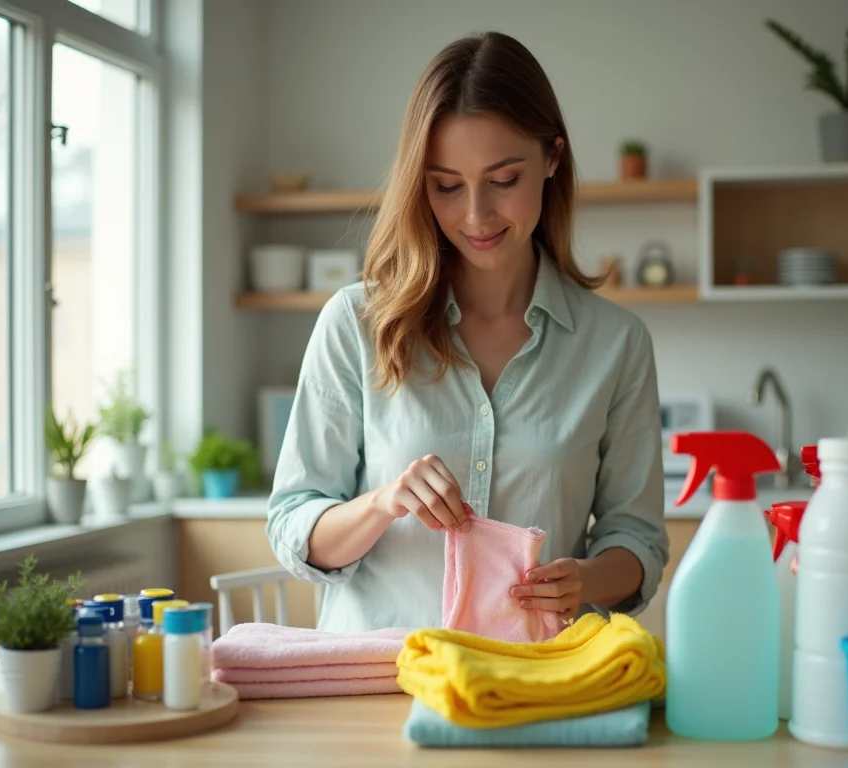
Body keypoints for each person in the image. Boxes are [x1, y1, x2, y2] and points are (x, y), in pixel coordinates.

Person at [266, 30, 669, 635]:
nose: (475, 215)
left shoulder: (617, 345)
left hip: (535, 683)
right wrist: (382, 503)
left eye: (504, 179)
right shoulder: (355, 325)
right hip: (378, 688)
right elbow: (293, 527)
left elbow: (637, 541)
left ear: (552, 158)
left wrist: (584, 579)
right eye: (447, 186)